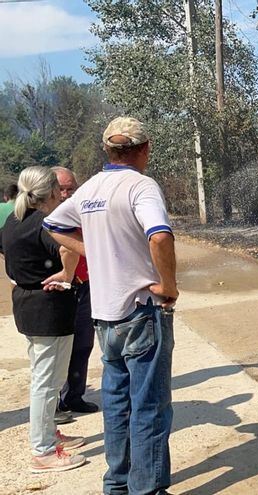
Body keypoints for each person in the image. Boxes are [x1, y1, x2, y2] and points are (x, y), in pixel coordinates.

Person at [44, 117, 178, 494]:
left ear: (108, 150)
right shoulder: (141, 186)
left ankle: (117, 484)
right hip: (141, 312)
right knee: (149, 406)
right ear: (144, 149)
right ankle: (146, 489)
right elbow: (160, 236)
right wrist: (169, 286)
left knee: (117, 405)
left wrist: (95, 253)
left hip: (105, 317)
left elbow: (53, 224)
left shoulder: (90, 189)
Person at [0, 166, 86, 473]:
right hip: (48, 309)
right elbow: (69, 247)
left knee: (43, 377)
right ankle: (43, 450)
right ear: (52, 192)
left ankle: (49, 434)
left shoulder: (12, 220)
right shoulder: (46, 222)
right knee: (47, 383)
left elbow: (6, 255)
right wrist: (66, 273)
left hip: (26, 303)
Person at [52, 167, 98, 414]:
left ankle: (74, 396)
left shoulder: (84, 214)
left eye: (71, 188)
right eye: (61, 189)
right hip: (58, 291)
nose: (67, 194)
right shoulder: (45, 220)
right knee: (58, 349)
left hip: (85, 286)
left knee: (83, 343)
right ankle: (55, 401)